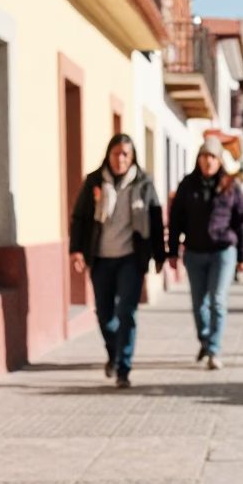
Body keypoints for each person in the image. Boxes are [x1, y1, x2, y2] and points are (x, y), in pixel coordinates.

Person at [69, 134, 165, 389]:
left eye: (126, 154)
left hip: (131, 259)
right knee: (104, 315)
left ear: (132, 157)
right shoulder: (94, 181)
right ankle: (114, 352)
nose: (121, 159)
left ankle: (124, 367)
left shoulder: (143, 183)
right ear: (108, 154)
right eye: (116, 153)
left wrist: (160, 256)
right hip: (100, 258)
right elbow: (80, 217)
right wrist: (76, 250)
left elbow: (155, 220)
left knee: (126, 312)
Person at [167, 138, 243, 369]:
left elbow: (242, 222)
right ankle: (204, 339)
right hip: (194, 252)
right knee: (198, 303)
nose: (208, 161)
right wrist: (172, 252)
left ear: (219, 160)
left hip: (223, 251)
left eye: (212, 157)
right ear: (199, 159)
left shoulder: (230, 187)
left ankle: (214, 349)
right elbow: (176, 221)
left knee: (218, 300)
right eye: (204, 156)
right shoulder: (187, 185)